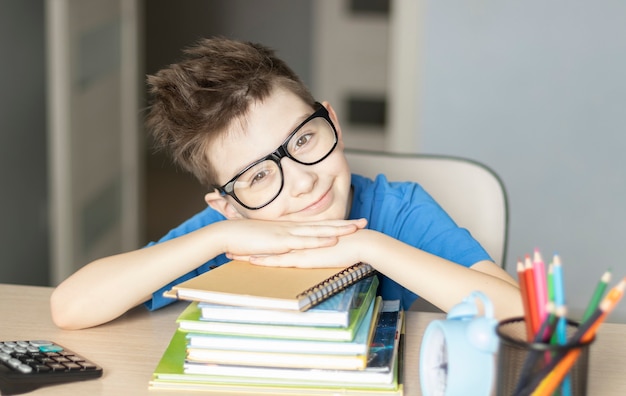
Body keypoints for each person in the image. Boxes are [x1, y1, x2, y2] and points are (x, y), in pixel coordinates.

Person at [50, 37, 522, 330]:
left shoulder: (397, 210)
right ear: (228, 205)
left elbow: (523, 318)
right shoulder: (230, 233)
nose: (301, 181)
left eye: (304, 139)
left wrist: (371, 248)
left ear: (331, 120)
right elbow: (69, 307)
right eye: (257, 176)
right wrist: (219, 236)